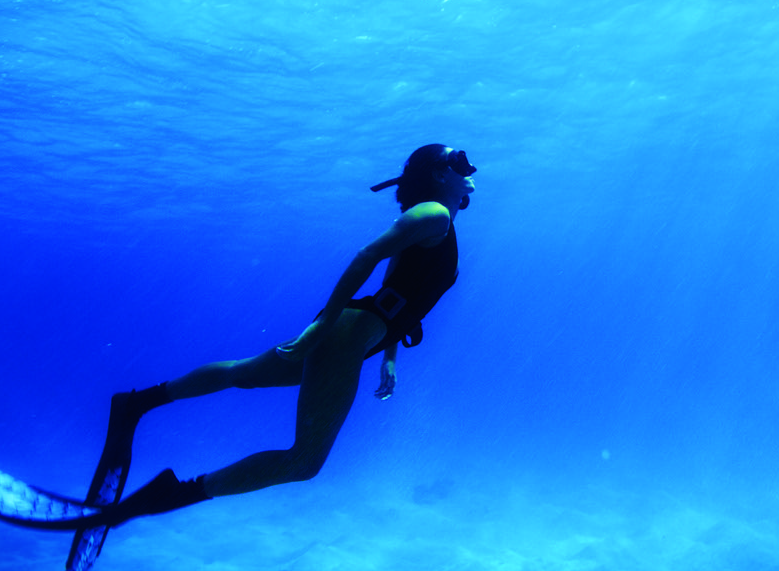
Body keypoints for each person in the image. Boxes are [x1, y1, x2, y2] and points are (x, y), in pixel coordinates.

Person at [54, 144, 476, 529]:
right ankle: (175, 493)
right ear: (439, 174)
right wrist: (322, 328)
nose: (468, 168)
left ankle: (137, 403)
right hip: (345, 335)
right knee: (304, 461)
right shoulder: (432, 215)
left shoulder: (438, 219)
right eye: (458, 161)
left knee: (247, 373)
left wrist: (389, 357)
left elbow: (395, 288)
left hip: (357, 335)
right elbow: (366, 256)